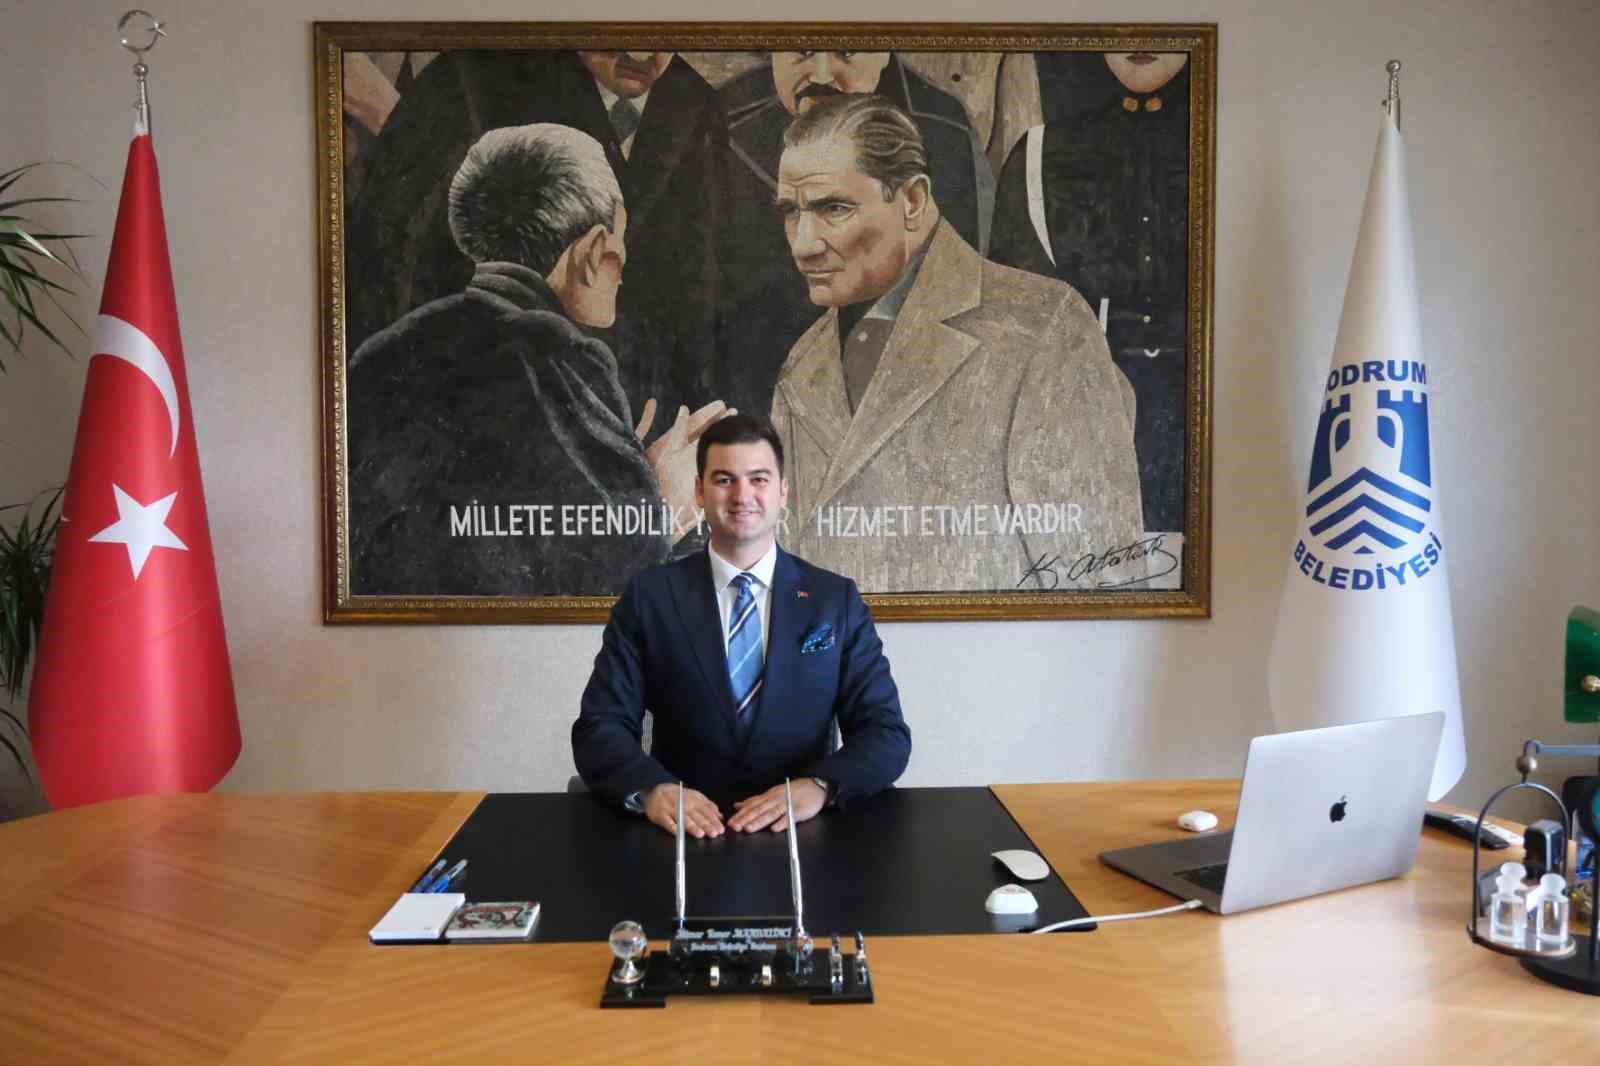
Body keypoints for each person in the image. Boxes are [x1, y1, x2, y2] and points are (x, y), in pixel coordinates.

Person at [768, 94, 1148, 593]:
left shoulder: (1044, 326)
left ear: (912, 200)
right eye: (790, 212)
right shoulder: (802, 364)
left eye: (833, 208)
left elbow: (1103, 586)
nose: (803, 244)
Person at [347, 124, 718, 597]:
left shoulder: (384, 351)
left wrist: (630, 470)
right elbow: (607, 572)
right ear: (593, 250)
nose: (623, 263)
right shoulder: (558, 355)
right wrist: (666, 502)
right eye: (619, 239)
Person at [344, 50, 727, 436]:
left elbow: (700, 298)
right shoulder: (469, 80)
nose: (641, 53)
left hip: (636, 423)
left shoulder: (694, 103)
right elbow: (389, 263)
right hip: (480, 411)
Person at [572, 414, 912, 837]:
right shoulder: (650, 597)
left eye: (758, 479)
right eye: (724, 480)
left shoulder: (834, 600)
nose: (742, 495)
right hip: (685, 835)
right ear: (699, 491)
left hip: (804, 835)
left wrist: (821, 786)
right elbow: (599, 726)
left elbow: (885, 732)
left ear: (782, 491)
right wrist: (652, 789)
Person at [711, 51, 989, 422]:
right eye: (802, 51)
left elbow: (954, 304)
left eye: (846, 52)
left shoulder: (942, 128)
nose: (822, 73)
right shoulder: (716, 119)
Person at [990, 53, 1191, 534]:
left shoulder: (1228, 150)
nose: (1139, 40)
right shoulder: (1039, 156)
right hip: (1079, 442)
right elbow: (1012, 337)